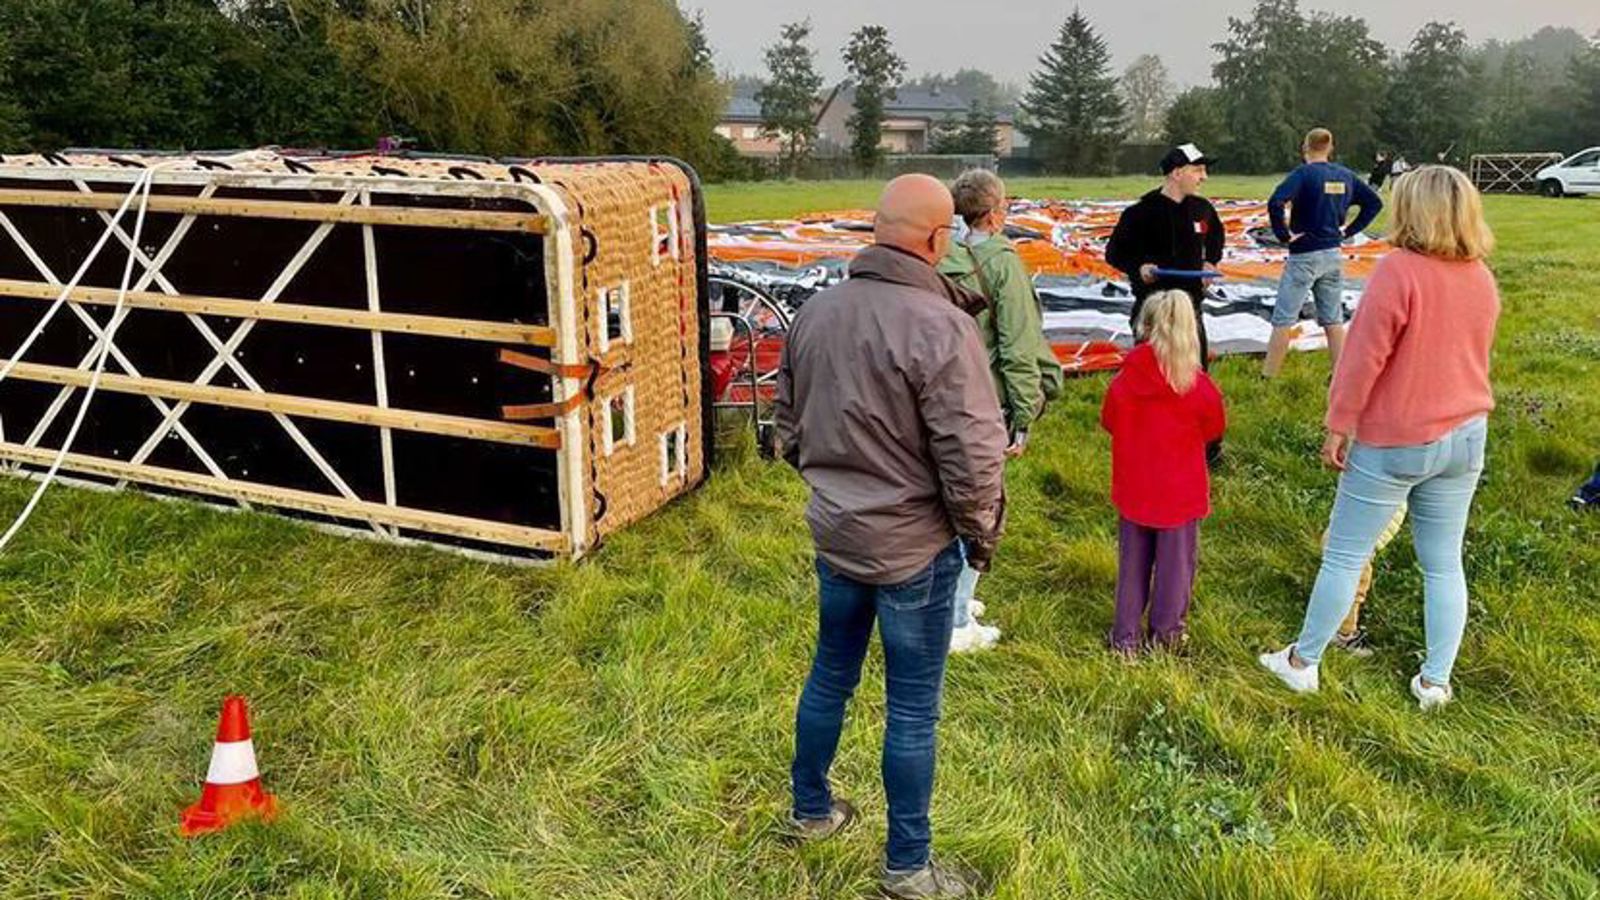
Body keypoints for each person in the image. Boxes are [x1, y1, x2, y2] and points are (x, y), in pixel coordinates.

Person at [775, 174, 1006, 899]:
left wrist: (836, 489)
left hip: (838, 536)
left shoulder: (815, 312)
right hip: (913, 551)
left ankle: (810, 812)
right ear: (940, 240)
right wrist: (980, 536)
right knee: (912, 707)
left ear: (877, 229)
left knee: (829, 676)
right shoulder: (943, 327)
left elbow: (786, 426)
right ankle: (908, 867)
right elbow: (973, 456)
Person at [1259, 166, 1501, 710]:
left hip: (1396, 440)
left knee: (1344, 555)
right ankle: (1435, 682)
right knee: (1443, 563)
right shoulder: (1481, 276)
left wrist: (1338, 425)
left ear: (1413, 211)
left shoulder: (1398, 272)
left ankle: (1302, 662)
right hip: (1466, 436)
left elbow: (1362, 361)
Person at [937, 168, 1065, 653]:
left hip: (935, 399)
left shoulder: (933, 254)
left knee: (942, 501)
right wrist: (1024, 412)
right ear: (994, 213)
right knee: (981, 509)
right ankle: (954, 620)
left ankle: (952, 599)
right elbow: (1017, 343)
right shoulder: (1003, 262)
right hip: (982, 402)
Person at [1100, 290, 1226, 654]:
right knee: (1175, 570)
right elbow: (1214, 428)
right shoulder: (1199, 387)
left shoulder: (1123, 381)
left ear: (1145, 327)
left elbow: (1110, 421)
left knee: (1132, 566)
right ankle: (1166, 635)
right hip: (1180, 494)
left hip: (1134, 488)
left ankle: (1125, 637)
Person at [1262, 128, 1384, 378]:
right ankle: (1340, 375)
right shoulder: (1345, 175)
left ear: (1305, 148)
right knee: (1333, 319)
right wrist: (1349, 230)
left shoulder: (1303, 174)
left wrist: (1283, 235)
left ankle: (1268, 377)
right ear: (1330, 148)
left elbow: (1276, 201)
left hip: (1304, 254)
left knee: (1283, 318)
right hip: (1332, 253)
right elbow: (1374, 203)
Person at [1105, 143, 1225, 369]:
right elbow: (1114, 253)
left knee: (1195, 371)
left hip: (1190, 307)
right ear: (1177, 173)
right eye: (1198, 170)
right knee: (1152, 371)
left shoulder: (1203, 209)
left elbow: (1216, 238)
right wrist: (1138, 267)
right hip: (1153, 306)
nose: (1204, 177)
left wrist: (1211, 261)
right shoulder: (1140, 213)